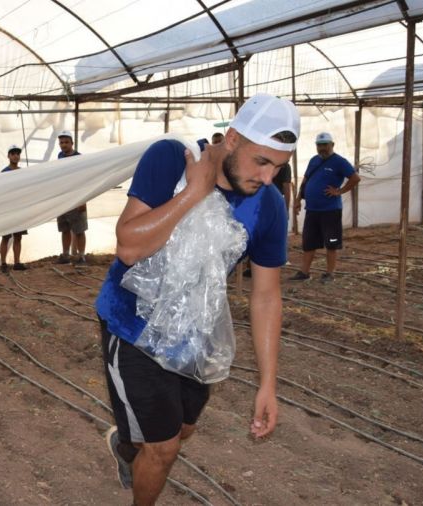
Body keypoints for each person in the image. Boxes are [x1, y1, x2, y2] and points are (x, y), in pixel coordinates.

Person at [96, 93, 298, 505]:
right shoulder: (172, 159)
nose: (267, 176)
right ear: (235, 138)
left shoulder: (270, 206)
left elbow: (266, 295)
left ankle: (128, 447)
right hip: (132, 324)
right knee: (165, 446)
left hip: (194, 332)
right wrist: (194, 192)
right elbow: (129, 248)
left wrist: (267, 385)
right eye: (262, 161)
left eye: (279, 167)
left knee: (182, 430)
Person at [291, 132, 360, 282]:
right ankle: (304, 272)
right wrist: (298, 199)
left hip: (330, 210)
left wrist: (339, 191)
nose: (322, 148)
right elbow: (305, 181)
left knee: (331, 243)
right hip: (312, 210)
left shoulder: (339, 162)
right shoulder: (314, 160)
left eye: (325, 145)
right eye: (319, 145)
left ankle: (330, 274)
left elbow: (355, 178)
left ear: (332, 145)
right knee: (309, 242)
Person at [54, 130, 88, 264]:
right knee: (65, 229)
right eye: (61, 142)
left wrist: (83, 200)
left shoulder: (79, 158)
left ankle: (81, 256)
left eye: (66, 142)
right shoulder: (60, 156)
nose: (64, 145)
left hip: (76, 198)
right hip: (63, 199)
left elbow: (85, 179)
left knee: (79, 229)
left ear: (72, 143)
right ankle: (66, 254)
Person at [0, 145, 28, 273]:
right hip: (7, 209)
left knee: (18, 237)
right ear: (9, 156)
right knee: (5, 237)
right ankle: (4, 263)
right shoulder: (4, 173)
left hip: (20, 209)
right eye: (13, 153)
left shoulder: (23, 172)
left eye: (17, 153)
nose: (16, 156)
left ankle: (16, 262)